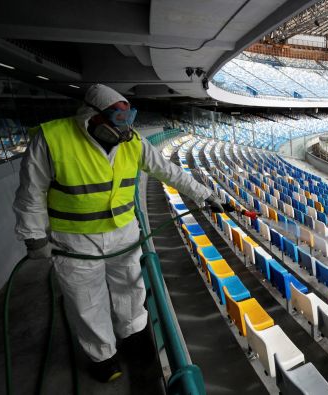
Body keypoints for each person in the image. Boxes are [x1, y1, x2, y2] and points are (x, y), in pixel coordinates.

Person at [12, 84, 224, 383]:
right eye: (117, 118)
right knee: (86, 300)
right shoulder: (52, 138)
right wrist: (34, 236)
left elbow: (168, 170)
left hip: (123, 235)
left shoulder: (133, 142)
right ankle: (102, 356)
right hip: (74, 241)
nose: (124, 128)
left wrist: (205, 195)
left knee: (131, 289)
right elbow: (31, 192)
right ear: (92, 116)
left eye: (127, 118)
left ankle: (134, 339)